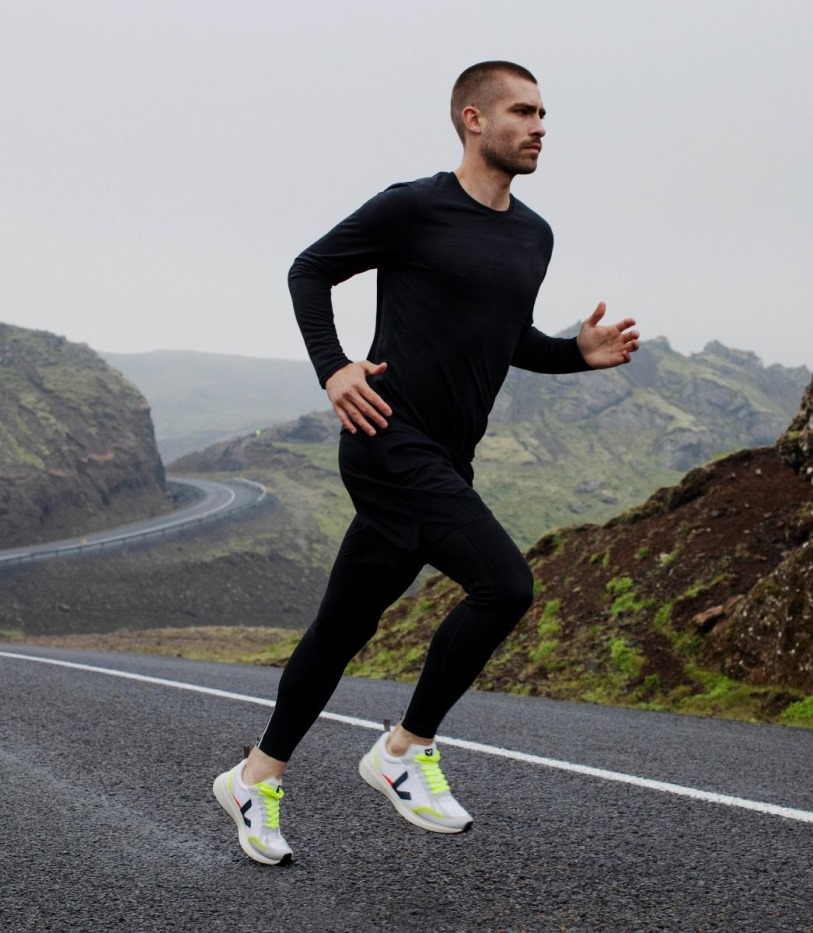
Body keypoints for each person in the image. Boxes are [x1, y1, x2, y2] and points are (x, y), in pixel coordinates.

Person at [213, 60, 639, 865]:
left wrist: (573, 354)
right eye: (522, 111)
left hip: (446, 455)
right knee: (505, 584)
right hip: (386, 435)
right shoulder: (412, 207)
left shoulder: (533, 234)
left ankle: (254, 775)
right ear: (473, 120)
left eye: (543, 113)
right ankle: (403, 750)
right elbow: (309, 268)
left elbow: (504, 338)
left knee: (342, 627)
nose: (539, 127)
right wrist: (333, 367)